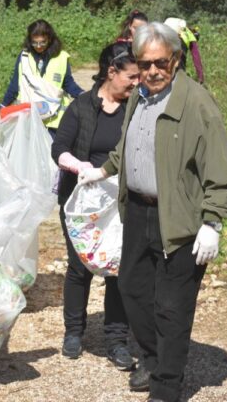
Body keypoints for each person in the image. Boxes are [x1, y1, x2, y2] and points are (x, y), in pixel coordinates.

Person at [79, 22, 227, 402]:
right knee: (133, 290)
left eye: (160, 63)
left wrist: (213, 222)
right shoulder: (140, 96)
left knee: (172, 307)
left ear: (176, 59)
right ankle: (153, 359)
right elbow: (130, 146)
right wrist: (102, 170)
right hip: (138, 213)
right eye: (144, 64)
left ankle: (166, 386)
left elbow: (221, 169)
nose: (152, 71)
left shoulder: (197, 104)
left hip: (180, 219)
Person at [51, 42, 140, 370]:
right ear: (111, 72)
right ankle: (73, 332)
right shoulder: (82, 107)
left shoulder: (137, 108)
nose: (136, 83)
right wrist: (82, 169)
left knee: (118, 268)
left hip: (120, 202)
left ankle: (116, 339)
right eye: (130, 77)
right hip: (81, 201)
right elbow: (58, 147)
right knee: (79, 266)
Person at [1, 19, 83, 135]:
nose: (38, 46)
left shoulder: (61, 57)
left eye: (42, 42)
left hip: (53, 123)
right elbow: (15, 85)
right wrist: (3, 105)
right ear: (30, 40)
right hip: (29, 120)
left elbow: (68, 83)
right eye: (35, 43)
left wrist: (82, 94)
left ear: (49, 39)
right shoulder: (24, 56)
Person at [163, 17, 204, 84]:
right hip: (179, 43)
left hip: (166, 36)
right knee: (180, 68)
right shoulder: (190, 35)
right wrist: (200, 77)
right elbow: (196, 57)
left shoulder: (180, 26)